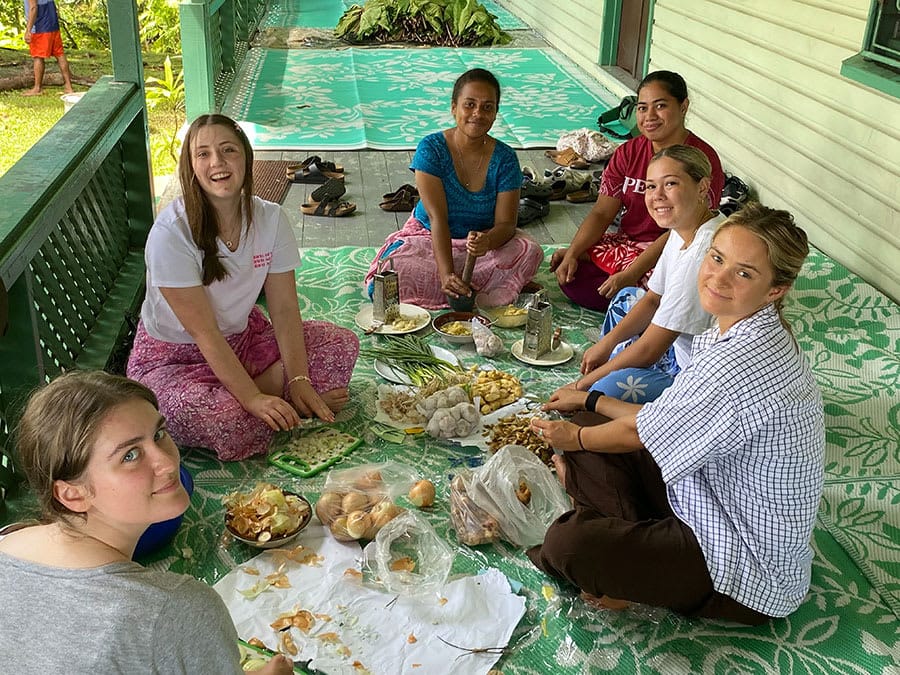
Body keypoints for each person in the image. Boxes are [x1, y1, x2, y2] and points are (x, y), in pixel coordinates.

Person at [529, 203, 825, 625]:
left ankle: (625, 564)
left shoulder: (740, 363)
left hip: (743, 569)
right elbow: (658, 420)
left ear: (776, 289)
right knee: (593, 427)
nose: (718, 278)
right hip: (708, 496)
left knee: (566, 544)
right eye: (717, 258)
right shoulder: (738, 330)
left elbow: (640, 435)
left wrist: (570, 440)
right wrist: (589, 402)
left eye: (744, 273)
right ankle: (630, 553)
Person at [0, 371, 292, 674]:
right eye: (130, 455)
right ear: (72, 495)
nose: (168, 463)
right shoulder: (175, 609)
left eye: (159, 434)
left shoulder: (6, 539)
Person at [127, 114, 359, 461]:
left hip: (243, 341)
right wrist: (251, 399)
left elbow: (283, 310)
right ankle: (265, 403)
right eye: (202, 154)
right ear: (190, 167)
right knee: (222, 417)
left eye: (227, 150)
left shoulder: (270, 219)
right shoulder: (171, 233)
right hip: (175, 358)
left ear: (246, 159)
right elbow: (204, 333)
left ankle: (276, 400)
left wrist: (298, 379)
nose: (217, 163)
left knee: (341, 344)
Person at [364, 68, 543, 309]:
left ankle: (472, 283)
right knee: (391, 271)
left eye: (487, 107)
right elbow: (438, 219)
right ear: (454, 108)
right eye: (469, 105)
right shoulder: (432, 149)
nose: (477, 114)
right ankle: (486, 286)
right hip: (429, 237)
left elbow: (506, 225)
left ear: (496, 113)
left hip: (479, 245)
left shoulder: (505, 158)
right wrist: (446, 273)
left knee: (529, 251)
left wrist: (487, 241)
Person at [562, 145, 726, 403]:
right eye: (650, 186)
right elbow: (652, 298)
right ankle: (618, 359)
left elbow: (651, 348)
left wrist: (582, 385)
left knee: (602, 394)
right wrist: (605, 346)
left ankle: (624, 375)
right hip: (671, 341)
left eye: (670, 184)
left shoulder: (703, 251)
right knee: (626, 297)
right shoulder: (684, 227)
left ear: (703, 187)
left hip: (693, 373)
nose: (657, 196)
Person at [551, 70, 724, 312]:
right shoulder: (627, 152)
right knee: (572, 274)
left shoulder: (702, 159)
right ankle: (635, 301)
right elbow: (602, 212)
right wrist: (573, 252)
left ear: (683, 106)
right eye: (642, 108)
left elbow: (688, 231)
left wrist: (631, 273)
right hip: (629, 245)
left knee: (677, 286)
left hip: (677, 250)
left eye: (660, 106)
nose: (650, 116)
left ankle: (643, 303)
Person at [22, 0, 74, 97]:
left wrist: (28, 30)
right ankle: (68, 86)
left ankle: (37, 88)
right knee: (60, 54)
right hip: (53, 23)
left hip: (40, 25)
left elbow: (33, 7)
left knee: (38, 56)